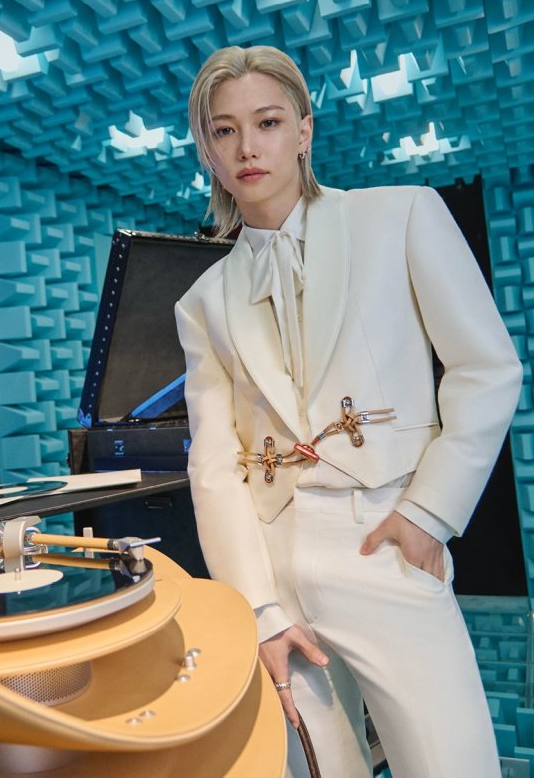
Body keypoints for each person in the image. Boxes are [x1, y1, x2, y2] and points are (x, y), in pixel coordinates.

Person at [175, 45, 522, 778]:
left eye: (267, 121)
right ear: (207, 148)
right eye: (225, 130)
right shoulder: (200, 301)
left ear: (304, 130)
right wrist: (258, 607)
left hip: (386, 542)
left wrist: (431, 513)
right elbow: (213, 465)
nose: (248, 146)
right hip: (274, 568)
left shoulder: (401, 215)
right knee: (315, 770)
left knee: (452, 764)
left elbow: (486, 367)